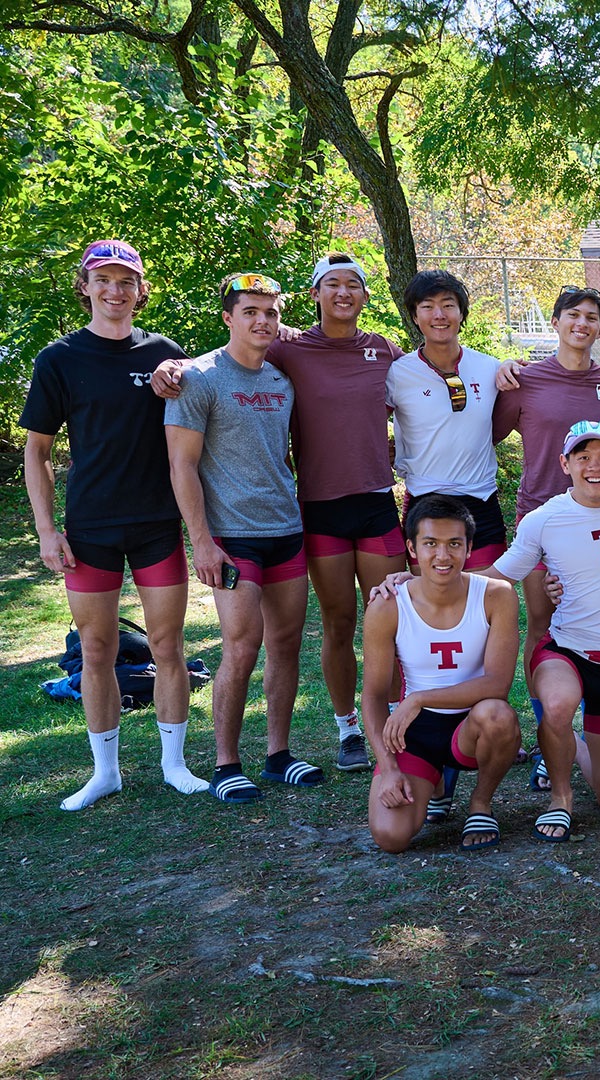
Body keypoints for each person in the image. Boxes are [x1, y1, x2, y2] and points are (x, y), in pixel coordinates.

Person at [150, 252, 409, 774]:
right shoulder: (260, 360)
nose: (343, 293)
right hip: (300, 516)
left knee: (385, 623)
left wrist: (500, 372)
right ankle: (330, 736)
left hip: (355, 510)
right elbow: (186, 454)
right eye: (331, 284)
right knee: (308, 630)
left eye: (353, 284)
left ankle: (383, 727)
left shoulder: (374, 352)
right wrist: (168, 367)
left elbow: (431, 375)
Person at [23, 239, 204, 810]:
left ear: (140, 289)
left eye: (126, 280)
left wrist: (180, 374)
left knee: (167, 644)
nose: (114, 290)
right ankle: (105, 772)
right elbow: (37, 451)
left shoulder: (164, 352)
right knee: (97, 650)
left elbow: (195, 430)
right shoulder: (59, 359)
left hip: (155, 523)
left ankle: (175, 764)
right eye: (103, 279)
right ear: (85, 287)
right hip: (90, 528)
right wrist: (46, 530)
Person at [165, 273, 324, 802]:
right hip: (233, 536)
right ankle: (225, 763)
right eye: (251, 311)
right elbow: (181, 466)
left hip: (286, 529)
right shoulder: (199, 378)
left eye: (271, 313)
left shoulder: (281, 380)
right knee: (241, 646)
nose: (262, 321)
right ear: (229, 317)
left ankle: (278, 754)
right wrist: (201, 542)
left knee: (284, 644)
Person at [489, 421, 600, 841]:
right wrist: (415, 583)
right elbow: (496, 577)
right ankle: (560, 797)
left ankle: (568, 742)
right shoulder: (543, 520)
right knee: (560, 703)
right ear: (565, 463)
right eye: (583, 457)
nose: (594, 466)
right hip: (565, 649)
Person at [492, 285, 600, 784]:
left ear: (599, 327)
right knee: (543, 625)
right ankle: (549, 732)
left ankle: (593, 730)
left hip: (597, 524)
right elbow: (485, 433)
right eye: (574, 315)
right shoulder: (523, 379)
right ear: (555, 321)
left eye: (593, 317)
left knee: (591, 622)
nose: (583, 324)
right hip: (541, 519)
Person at [360, 495, 521, 854]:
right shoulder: (388, 605)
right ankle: (435, 784)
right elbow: (371, 695)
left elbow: (497, 684)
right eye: (430, 544)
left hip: (472, 725)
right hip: (414, 733)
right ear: (411, 548)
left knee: (498, 714)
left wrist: (418, 698)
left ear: (469, 547)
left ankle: (480, 803)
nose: (442, 556)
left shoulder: (497, 595)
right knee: (391, 836)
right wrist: (387, 767)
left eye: (454, 544)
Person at [388, 270, 509, 569]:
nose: (439, 314)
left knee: (485, 601)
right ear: (415, 316)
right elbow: (362, 419)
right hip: (426, 500)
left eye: (448, 304)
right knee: (432, 608)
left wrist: (510, 366)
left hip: (481, 499)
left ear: (461, 313)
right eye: (427, 306)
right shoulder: (396, 373)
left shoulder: (489, 367)